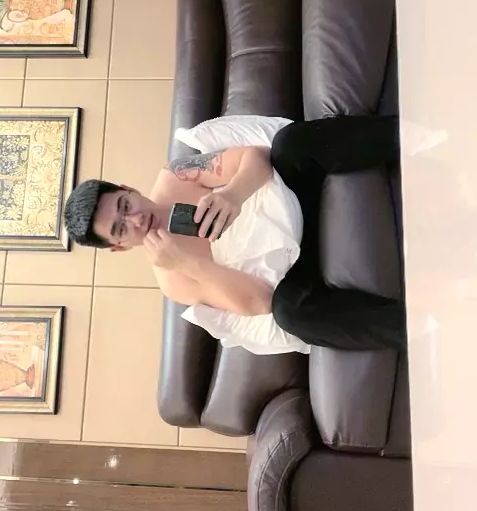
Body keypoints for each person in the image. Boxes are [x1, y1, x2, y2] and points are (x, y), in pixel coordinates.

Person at [64, 114, 406, 352]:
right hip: (297, 268)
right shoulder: (172, 281)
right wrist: (188, 264)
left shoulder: (177, 175)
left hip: (295, 195)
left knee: (289, 143)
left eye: (125, 205)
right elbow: (261, 301)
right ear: (119, 247)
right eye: (121, 228)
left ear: (128, 189)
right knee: (290, 313)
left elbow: (254, 157)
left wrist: (233, 194)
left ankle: (411, 134)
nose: (137, 219)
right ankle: (414, 327)